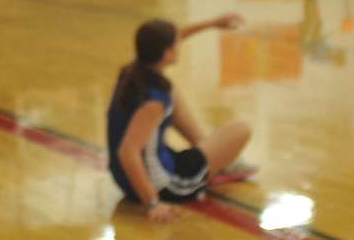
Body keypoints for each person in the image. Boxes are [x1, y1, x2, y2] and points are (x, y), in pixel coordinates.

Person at [107, 17, 254, 222]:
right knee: (241, 129)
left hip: (126, 178)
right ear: (167, 54)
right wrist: (153, 203)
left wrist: (212, 23)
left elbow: (177, 35)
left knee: (171, 91)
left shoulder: (132, 71)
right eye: (176, 44)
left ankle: (210, 158)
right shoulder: (153, 100)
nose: (180, 43)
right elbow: (127, 152)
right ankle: (216, 166)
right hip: (166, 185)